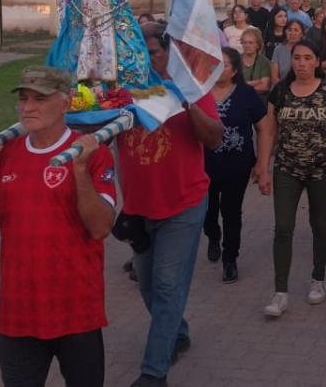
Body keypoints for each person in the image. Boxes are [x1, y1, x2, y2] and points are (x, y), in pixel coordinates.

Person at [0, 67, 116, 387]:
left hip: (76, 311)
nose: (28, 107)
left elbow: (101, 227)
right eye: (23, 98)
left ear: (65, 103)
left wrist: (78, 172)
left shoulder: (93, 152)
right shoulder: (5, 154)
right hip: (18, 314)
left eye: (40, 98)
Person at [116, 23, 223, 387]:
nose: (146, 59)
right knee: (146, 285)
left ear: (170, 54)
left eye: (154, 52)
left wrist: (187, 102)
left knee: (166, 287)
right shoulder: (125, 91)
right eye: (138, 53)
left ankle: (153, 372)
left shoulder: (192, 87)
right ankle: (176, 332)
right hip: (138, 208)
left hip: (183, 204)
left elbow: (213, 139)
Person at [255, 42, 326, 317]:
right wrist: (263, 168)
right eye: (297, 58)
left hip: (321, 170)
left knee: (320, 225)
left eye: (308, 58)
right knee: (283, 227)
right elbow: (269, 131)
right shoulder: (280, 90)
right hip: (287, 169)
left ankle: (318, 278)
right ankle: (279, 292)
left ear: (317, 61)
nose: (302, 63)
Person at [203, 48, 270, 283]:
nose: (217, 69)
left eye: (224, 65)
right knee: (207, 212)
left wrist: (262, 164)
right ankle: (212, 235)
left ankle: (230, 258)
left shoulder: (246, 94)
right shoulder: (198, 94)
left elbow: (263, 128)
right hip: (203, 167)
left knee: (232, 212)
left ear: (234, 71)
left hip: (237, 165)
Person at [239, 27, 273, 98]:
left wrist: (244, 86)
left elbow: (264, 86)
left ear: (257, 45)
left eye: (251, 43)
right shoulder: (236, 60)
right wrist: (256, 82)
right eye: (244, 42)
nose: (247, 45)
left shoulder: (263, 61)